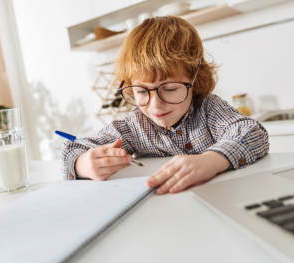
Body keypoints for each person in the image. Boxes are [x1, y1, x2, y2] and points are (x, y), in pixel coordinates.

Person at [60, 16, 269, 195]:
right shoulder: (135, 125)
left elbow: (252, 132)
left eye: (169, 89)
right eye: (141, 91)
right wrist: (84, 164)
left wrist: (212, 160)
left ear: (195, 81)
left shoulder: (208, 110)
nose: (156, 105)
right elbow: (73, 148)